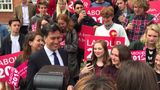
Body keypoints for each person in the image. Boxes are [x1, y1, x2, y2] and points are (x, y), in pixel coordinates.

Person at [26, 24, 74, 90]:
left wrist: (70, 85)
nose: (56, 41)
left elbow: (69, 75)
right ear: (45, 38)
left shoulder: (64, 53)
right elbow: (30, 86)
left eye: (58, 38)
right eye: (53, 38)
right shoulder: (35, 58)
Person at [57, 14, 79, 82]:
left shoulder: (72, 31)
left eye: (62, 23)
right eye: (59, 24)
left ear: (67, 22)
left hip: (70, 61)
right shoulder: (56, 31)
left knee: (71, 81)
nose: (61, 25)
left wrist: (63, 46)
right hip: (59, 59)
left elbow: (75, 47)